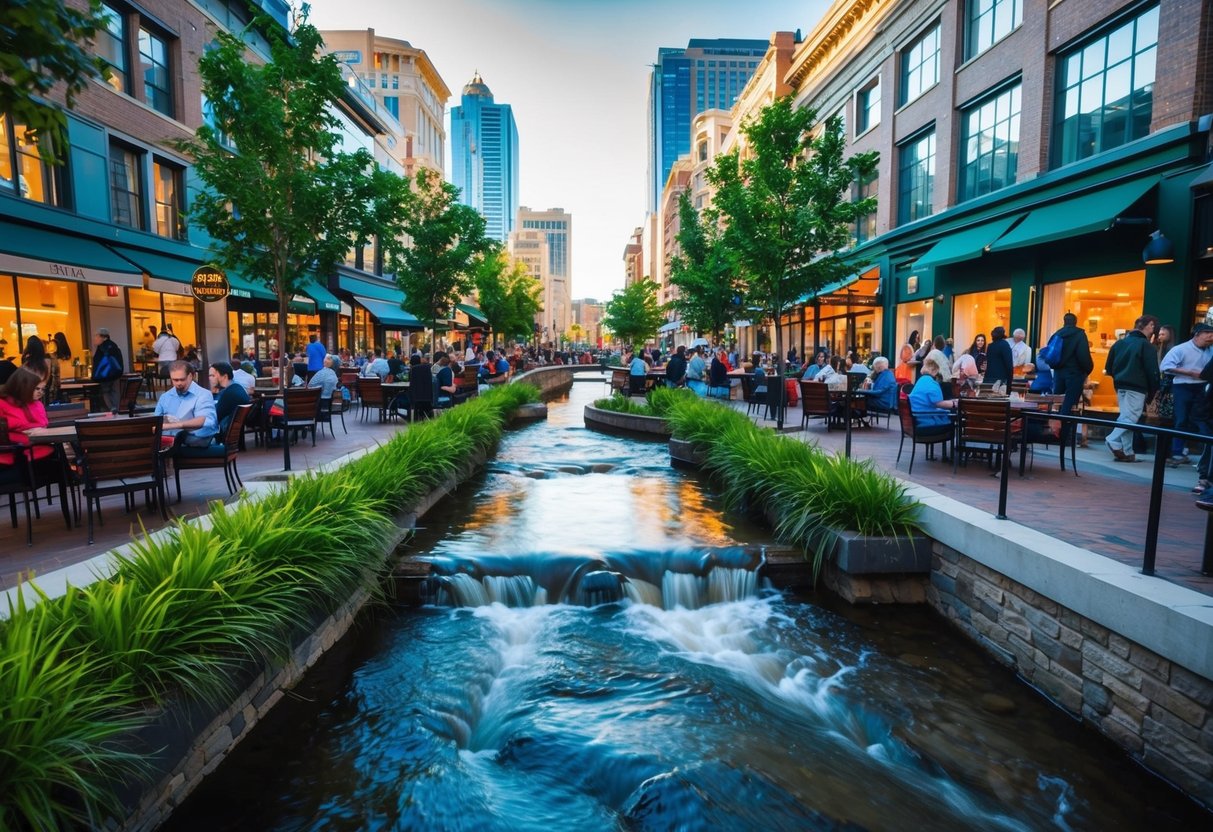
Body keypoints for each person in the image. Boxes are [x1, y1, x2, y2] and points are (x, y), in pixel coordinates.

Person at [1103, 315, 1159, 463]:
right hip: (1137, 386)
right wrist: (1153, 391)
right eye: (1153, 326)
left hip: (1120, 384)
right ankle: (1112, 439)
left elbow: (1108, 368)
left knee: (1126, 417)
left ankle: (1128, 452)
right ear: (1149, 326)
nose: (1154, 329)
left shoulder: (1119, 343)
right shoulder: (1146, 346)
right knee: (1131, 417)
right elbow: (1152, 371)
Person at [1159, 322, 1213, 466]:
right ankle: (1177, 452)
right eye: (1207, 333)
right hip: (1183, 386)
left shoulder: (1210, 350)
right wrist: (1190, 372)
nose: (1211, 336)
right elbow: (1165, 366)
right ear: (1197, 334)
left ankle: (1205, 455)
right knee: (1181, 419)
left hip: (1203, 387)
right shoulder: (1181, 349)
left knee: (1202, 420)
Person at [1047, 312, 1095, 447]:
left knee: (1057, 402)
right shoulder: (1079, 334)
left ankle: (1054, 433)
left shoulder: (1057, 334)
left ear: (1064, 321)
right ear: (1075, 321)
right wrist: (1087, 369)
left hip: (1058, 373)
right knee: (1070, 404)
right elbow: (1083, 356)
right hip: (1074, 373)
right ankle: (1065, 436)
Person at [0, 367, 56, 472]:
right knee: (57, 455)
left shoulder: (35, 403)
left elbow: (43, 423)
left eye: (43, 389)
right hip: (15, 449)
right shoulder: (3, 403)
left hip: (34, 444)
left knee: (58, 453)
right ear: (23, 387)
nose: (41, 393)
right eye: (37, 389)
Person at [155, 361, 218, 449]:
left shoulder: (203, 395)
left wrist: (175, 425)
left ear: (190, 376)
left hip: (196, 439)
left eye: (182, 379)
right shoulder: (165, 397)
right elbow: (155, 422)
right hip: (170, 441)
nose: (179, 383)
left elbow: (205, 422)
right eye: (175, 380)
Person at [908, 355, 956, 440]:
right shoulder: (931, 383)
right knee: (953, 418)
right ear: (934, 371)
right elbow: (938, 403)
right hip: (926, 421)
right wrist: (954, 404)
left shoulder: (921, 380)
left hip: (916, 418)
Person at [208, 361, 251, 437]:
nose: (210, 378)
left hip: (220, 435)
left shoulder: (228, 393)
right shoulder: (237, 387)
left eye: (212, 376)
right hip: (232, 433)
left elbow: (214, 418)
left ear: (224, 376)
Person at [90, 327, 124, 411]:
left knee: (106, 392)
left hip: (105, 375)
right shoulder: (114, 345)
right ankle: (116, 408)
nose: (95, 338)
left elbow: (97, 361)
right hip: (116, 373)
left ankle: (111, 409)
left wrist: (94, 375)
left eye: (97, 336)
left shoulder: (101, 347)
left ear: (103, 337)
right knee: (115, 391)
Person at [21, 335, 60, 404]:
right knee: (44, 404)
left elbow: (25, 373)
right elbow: (48, 373)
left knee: (34, 405)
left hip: (31, 385)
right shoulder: (46, 357)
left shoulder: (26, 357)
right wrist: (44, 384)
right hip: (43, 384)